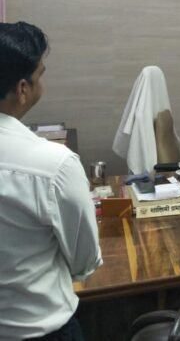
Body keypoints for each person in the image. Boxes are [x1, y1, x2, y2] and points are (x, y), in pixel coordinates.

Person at [0, 21, 102, 340]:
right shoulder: (54, 164)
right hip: (41, 330)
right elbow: (84, 261)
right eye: (40, 75)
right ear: (22, 88)